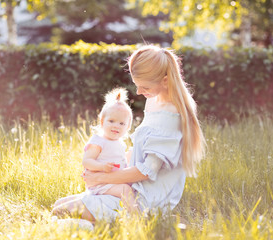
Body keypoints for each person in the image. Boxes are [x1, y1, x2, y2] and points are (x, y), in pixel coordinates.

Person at [51, 44, 206, 224]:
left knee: (60, 212)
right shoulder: (154, 101)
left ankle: (112, 224)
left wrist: (102, 178)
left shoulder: (170, 115)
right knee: (59, 205)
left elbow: (146, 171)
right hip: (132, 188)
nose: (139, 92)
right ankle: (91, 223)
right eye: (137, 86)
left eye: (144, 87)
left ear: (165, 80)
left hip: (144, 201)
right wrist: (109, 163)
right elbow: (141, 151)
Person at [52, 88, 138, 219]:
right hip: (101, 183)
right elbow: (87, 161)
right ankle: (138, 217)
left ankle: (128, 212)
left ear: (127, 127)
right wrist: (101, 167)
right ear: (102, 121)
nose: (116, 126)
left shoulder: (120, 143)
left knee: (125, 188)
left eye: (122, 123)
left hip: (111, 181)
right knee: (125, 190)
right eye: (112, 121)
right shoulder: (99, 141)